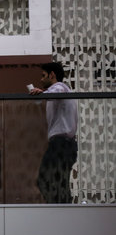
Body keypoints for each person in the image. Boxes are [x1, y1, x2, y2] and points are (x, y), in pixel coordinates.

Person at [29, 62, 78, 203]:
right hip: (65, 144)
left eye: (43, 75)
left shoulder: (60, 87)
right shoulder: (61, 92)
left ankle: (58, 209)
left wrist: (42, 93)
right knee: (59, 181)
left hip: (61, 143)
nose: (41, 79)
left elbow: (56, 91)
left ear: (52, 75)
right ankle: (61, 208)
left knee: (46, 179)